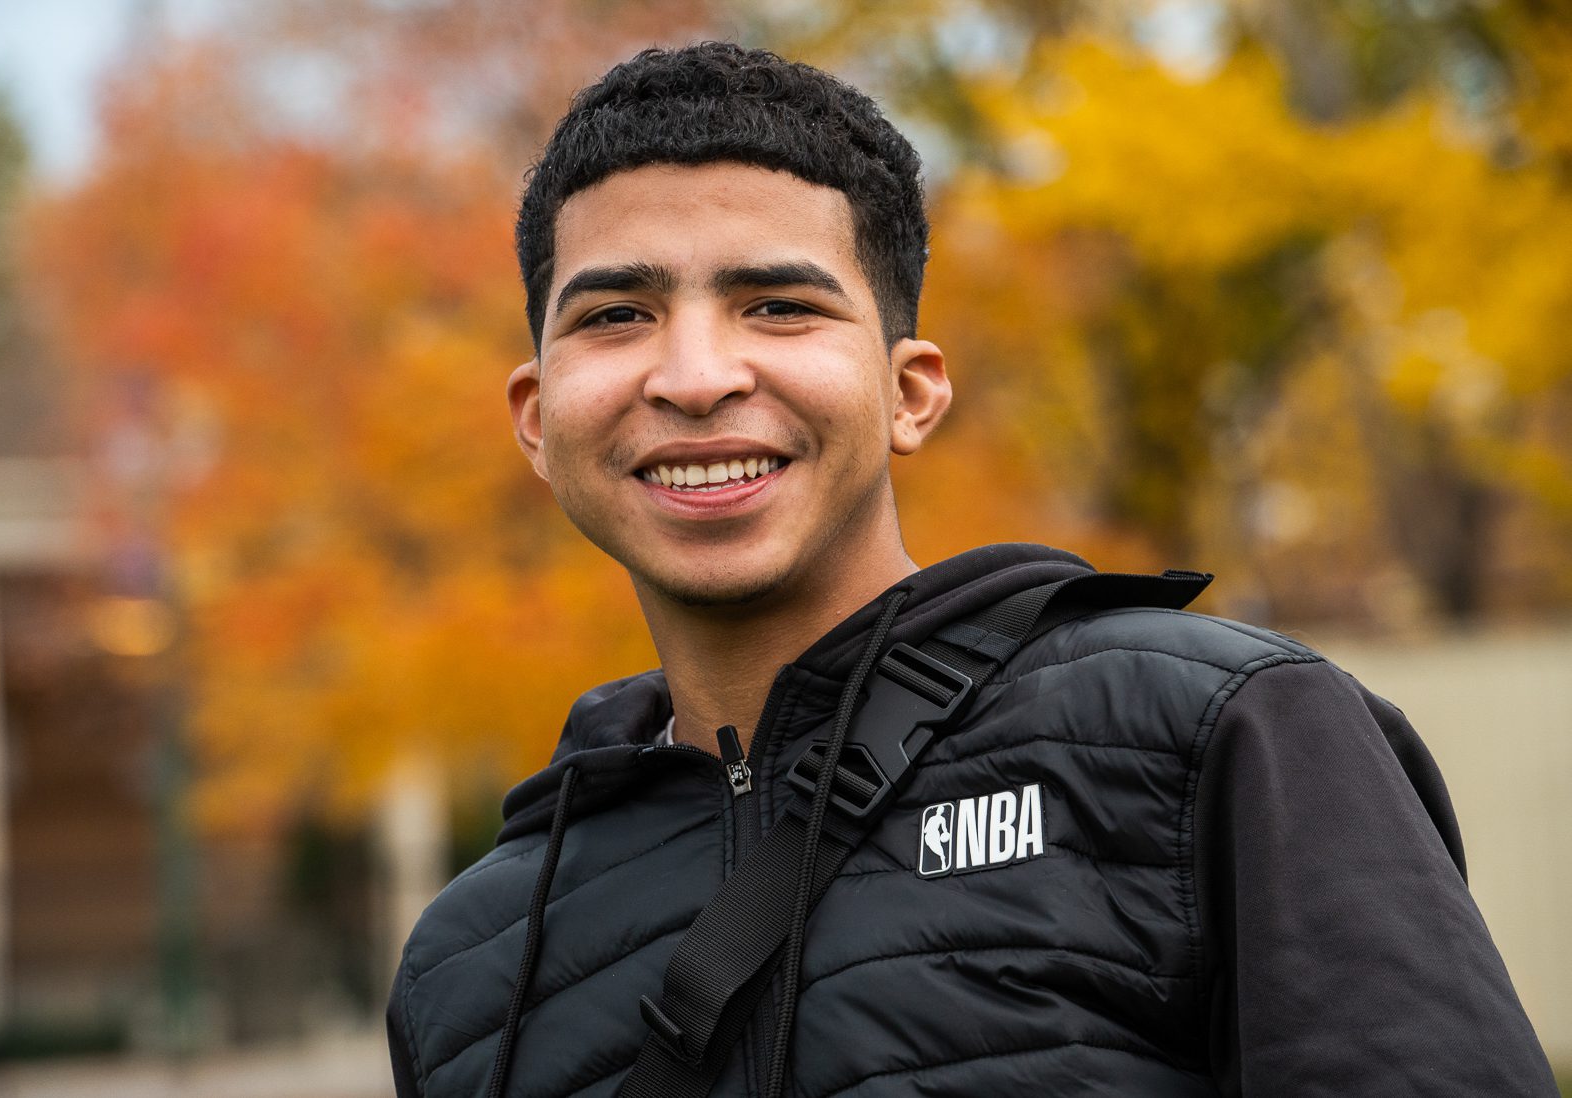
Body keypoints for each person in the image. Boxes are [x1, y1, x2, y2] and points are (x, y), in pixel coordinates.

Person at [386, 41, 1557, 1098]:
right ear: (538, 420)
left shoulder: (1213, 735)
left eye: (779, 305)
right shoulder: (471, 965)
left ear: (910, 393)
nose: (694, 376)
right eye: (618, 316)